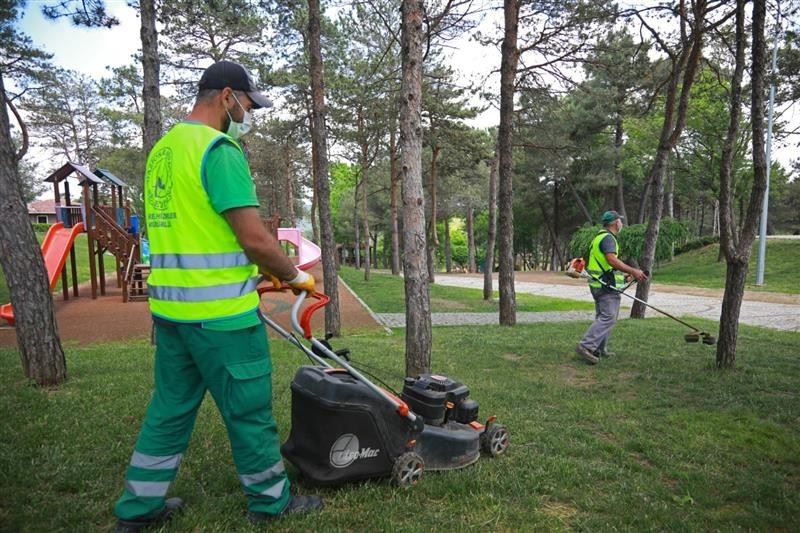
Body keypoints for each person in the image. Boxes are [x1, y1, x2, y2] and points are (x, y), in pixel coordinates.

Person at [113, 60, 323, 532]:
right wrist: (295, 276)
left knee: (169, 410)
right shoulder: (219, 150)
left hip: (171, 314)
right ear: (227, 96)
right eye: (247, 103)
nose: (248, 112)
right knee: (248, 412)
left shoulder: (164, 151)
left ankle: (138, 510)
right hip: (222, 319)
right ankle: (270, 502)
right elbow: (254, 239)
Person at [575, 210, 647, 365]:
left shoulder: (598, 237)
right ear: (615, 223)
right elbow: (612, 261)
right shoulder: (608, 239)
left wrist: (625, 276)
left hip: (598, 284)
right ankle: (586, 346)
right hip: (605, 286)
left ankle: (599, 349)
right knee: (608, 317)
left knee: (604, 316)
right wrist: (633, 270)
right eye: (620, 221)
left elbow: (607, 266)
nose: (621, 223)